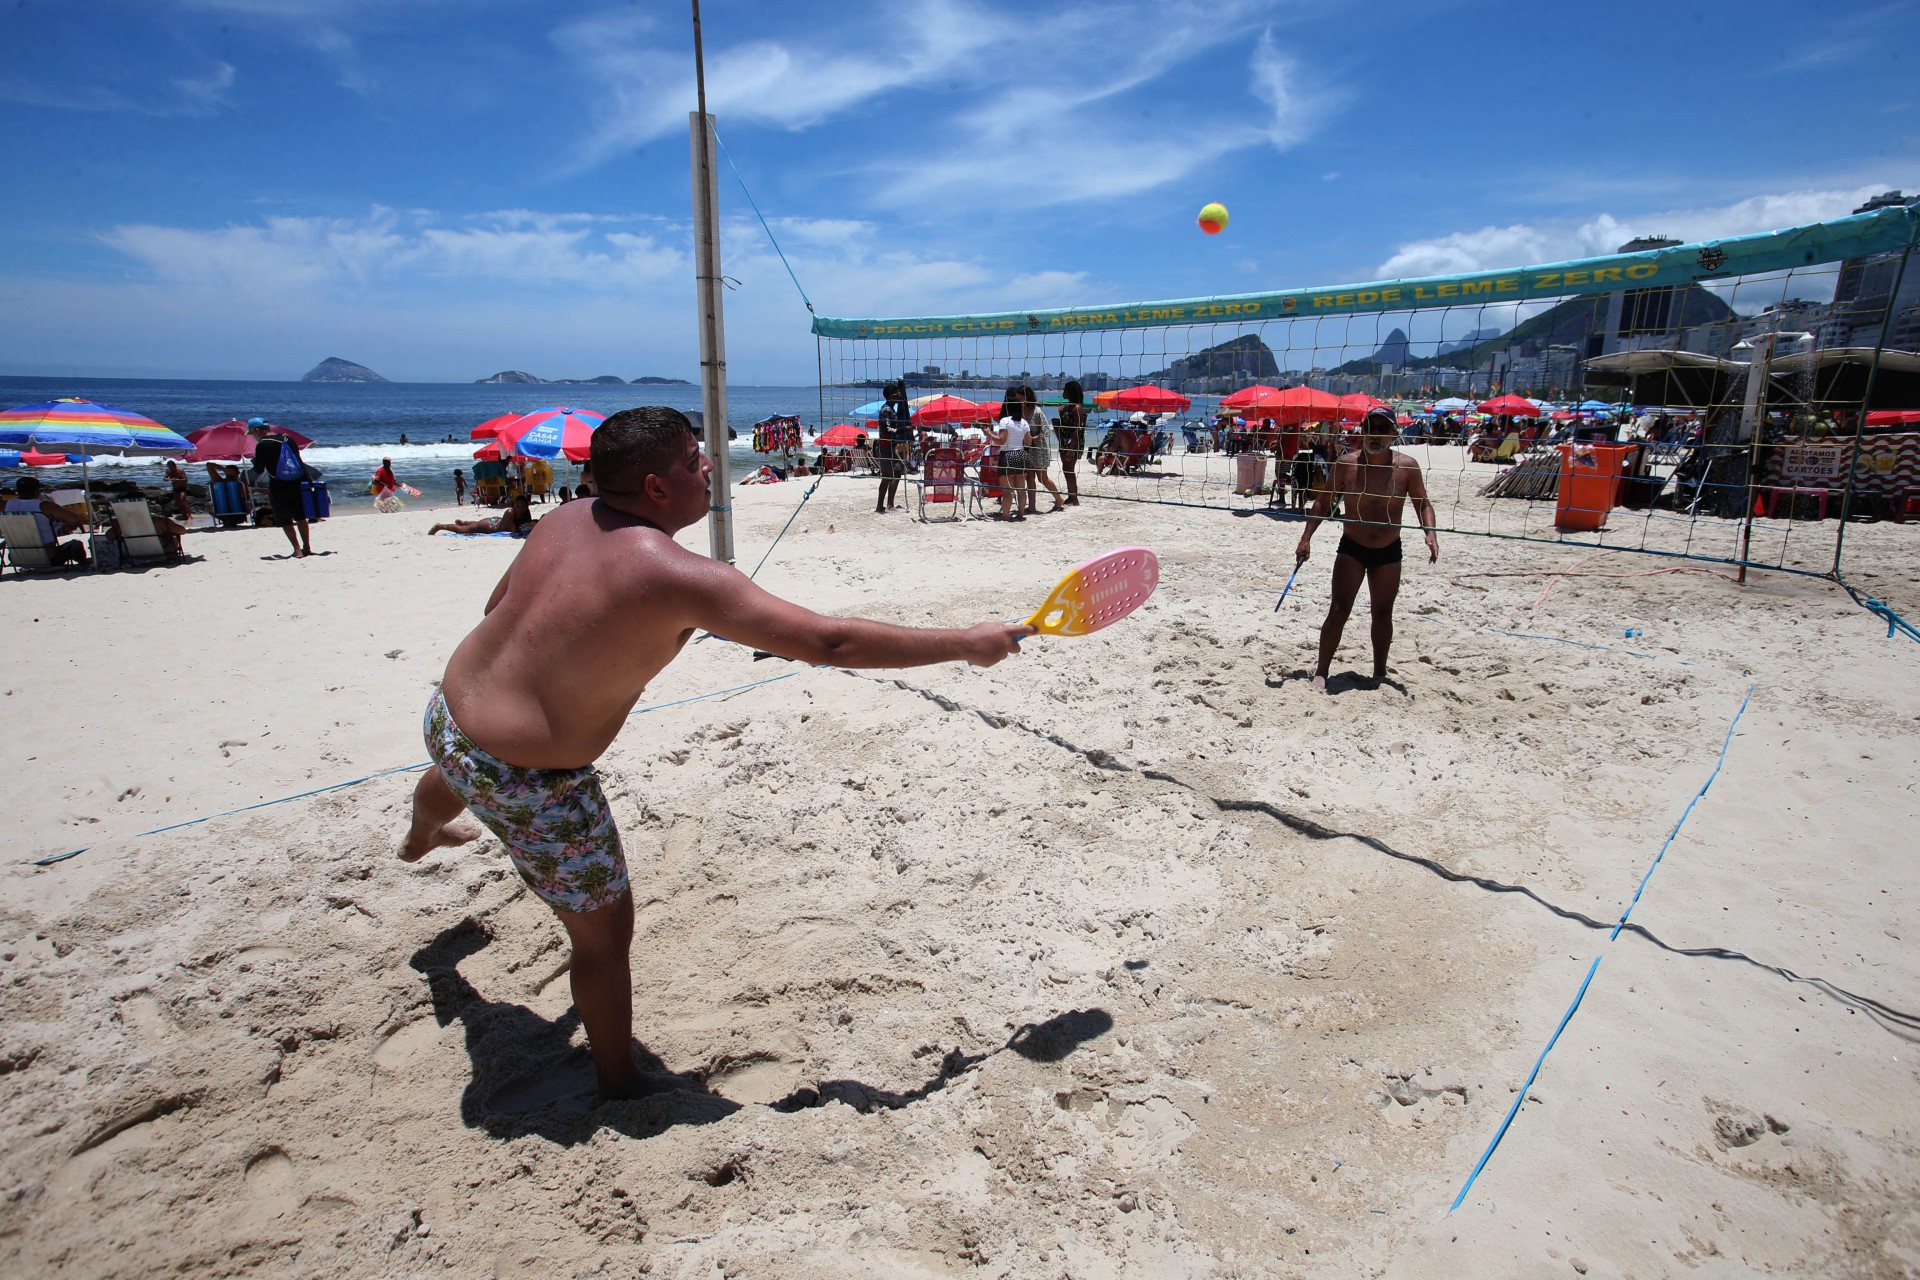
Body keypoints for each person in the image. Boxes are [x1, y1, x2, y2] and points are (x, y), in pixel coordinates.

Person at [399, 407, 1032, 1099]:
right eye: (693, 457)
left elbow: (500, 608)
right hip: (532, 780)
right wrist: (967, 645)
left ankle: (421, 834)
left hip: (450, 712)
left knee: (459, 772)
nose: (709, 465)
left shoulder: (561, 520)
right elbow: (830, 644)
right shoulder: (676, 573)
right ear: (656, 487)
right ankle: (619, 1083)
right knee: (603, 942)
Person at [1296, 408, 1438, 693]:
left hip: (1388, 550)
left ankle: (1379, 672)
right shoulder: (1346, 464)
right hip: (1352, 547)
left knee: (1383, 613)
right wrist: (1306, 537)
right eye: (1370, 428)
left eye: (1382, 429)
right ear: (1363, 432)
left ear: (1393, 435)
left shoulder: (1407, 466)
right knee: (1338, 609)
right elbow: (1323, 503)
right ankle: (1321, 672)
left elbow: (1422, 503)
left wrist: (1430, 533)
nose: (1375, 434)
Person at [247, 419, 314, 558]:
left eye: (252, 432)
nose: (253, 436)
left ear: (258, 430)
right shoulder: (287, 438)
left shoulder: (262, 445)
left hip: (279, 486)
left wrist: (255, 461)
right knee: (301, 517)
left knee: (285, 519)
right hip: (297, 482)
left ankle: (297, 550)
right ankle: (307, 547)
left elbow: (259, 470)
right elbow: (298, 460)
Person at [3, 475, 90, 567]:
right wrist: (65, 528)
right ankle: (83, 564)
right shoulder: (44, 506)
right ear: (37, 491)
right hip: (48, 557)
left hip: (17, 557)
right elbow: (74, 520)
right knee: (76, 545)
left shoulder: (4, 505)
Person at [1020, 387, 1065, 514]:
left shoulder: (1037, 411)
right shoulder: (1019, 411)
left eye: (1020, 397)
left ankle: (1059, 499)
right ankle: (1032, 506)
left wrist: (1033, 438)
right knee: (1029, 478)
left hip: (1038, 448)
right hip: (1026, 448)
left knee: (1042, 478)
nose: (1018, 400)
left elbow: (1047, 431)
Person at [988, 387, 1030, 521]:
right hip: (1021, 455)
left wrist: (988, 433)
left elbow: (1001, 440)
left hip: (1007, 455)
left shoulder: (1004, 421)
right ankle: (1020, 514)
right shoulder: (1024, 422)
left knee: (1007, 490)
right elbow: (1028, 443)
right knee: (1021, 489)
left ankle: (1005, 515)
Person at [874, 381, 912, 513]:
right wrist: (902, 430)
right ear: (890, 396)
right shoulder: (887, 410)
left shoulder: (890, 409)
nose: (899, 394)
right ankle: (889, 505)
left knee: (887, 476)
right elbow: (886, 429)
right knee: (895, 474)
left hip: (887, 445)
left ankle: (881, 506)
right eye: (897, 393)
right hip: (887, 446)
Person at [428, 493, 534, 537]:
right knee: (462, 530)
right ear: (513, 505)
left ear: (526, 506)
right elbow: (513, 530)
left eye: (522, 506)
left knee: (471, 525)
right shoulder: (510, 512)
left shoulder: (526, 511)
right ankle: (440, 526)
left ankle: (464, 522)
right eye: (517, 505)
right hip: (489, 526)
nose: (520, 508)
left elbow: (528, 523)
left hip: (495, 521)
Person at [1056, 381, 1087, 506]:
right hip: (1065, 440)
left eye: (1065, 390)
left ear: (1071, 392)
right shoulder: (1067, 406)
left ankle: (1074, 498)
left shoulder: (1077, 407)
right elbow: (1065, 424)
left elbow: (1077, 430)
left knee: (1069, 469)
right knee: (1066, 469)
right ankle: (1071, 496)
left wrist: (1071, 449)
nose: (1063, 392)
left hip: (1073, 442)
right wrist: (1061, 413)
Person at [164, 458, 193, 525]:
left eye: (171, 467)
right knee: (177, 503)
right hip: (175, 488)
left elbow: (185, 480)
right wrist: (167, 479)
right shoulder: (168, 471)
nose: (170, 468)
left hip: (182, 487)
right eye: (169, 467)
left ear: (174, 466)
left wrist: (177, 480)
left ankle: (189, 515)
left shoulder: (180, 471)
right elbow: (165, 478)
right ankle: (184, 515)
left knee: (182, 500)